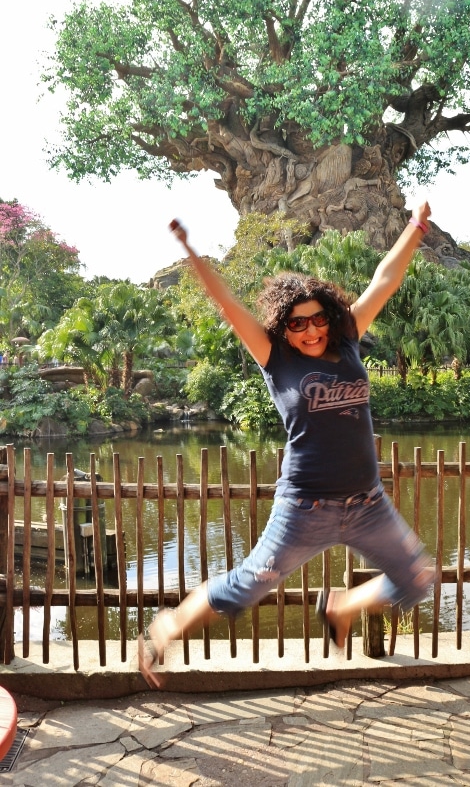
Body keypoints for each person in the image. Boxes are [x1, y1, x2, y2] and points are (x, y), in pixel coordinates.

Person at [139, 204, 434, 687]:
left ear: (330, 315)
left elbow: (385, 279)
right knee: (246, 587)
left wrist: (415, 229)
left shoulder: (351, 338)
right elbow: (228, 305)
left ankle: (343, 607)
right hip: (304, 506)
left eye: (317, 319)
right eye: (297, 324)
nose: (311, 330)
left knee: (417, 578)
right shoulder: (274, 358)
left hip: (367, 503)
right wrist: (191, 251)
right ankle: (169, 626)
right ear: (283, 327)